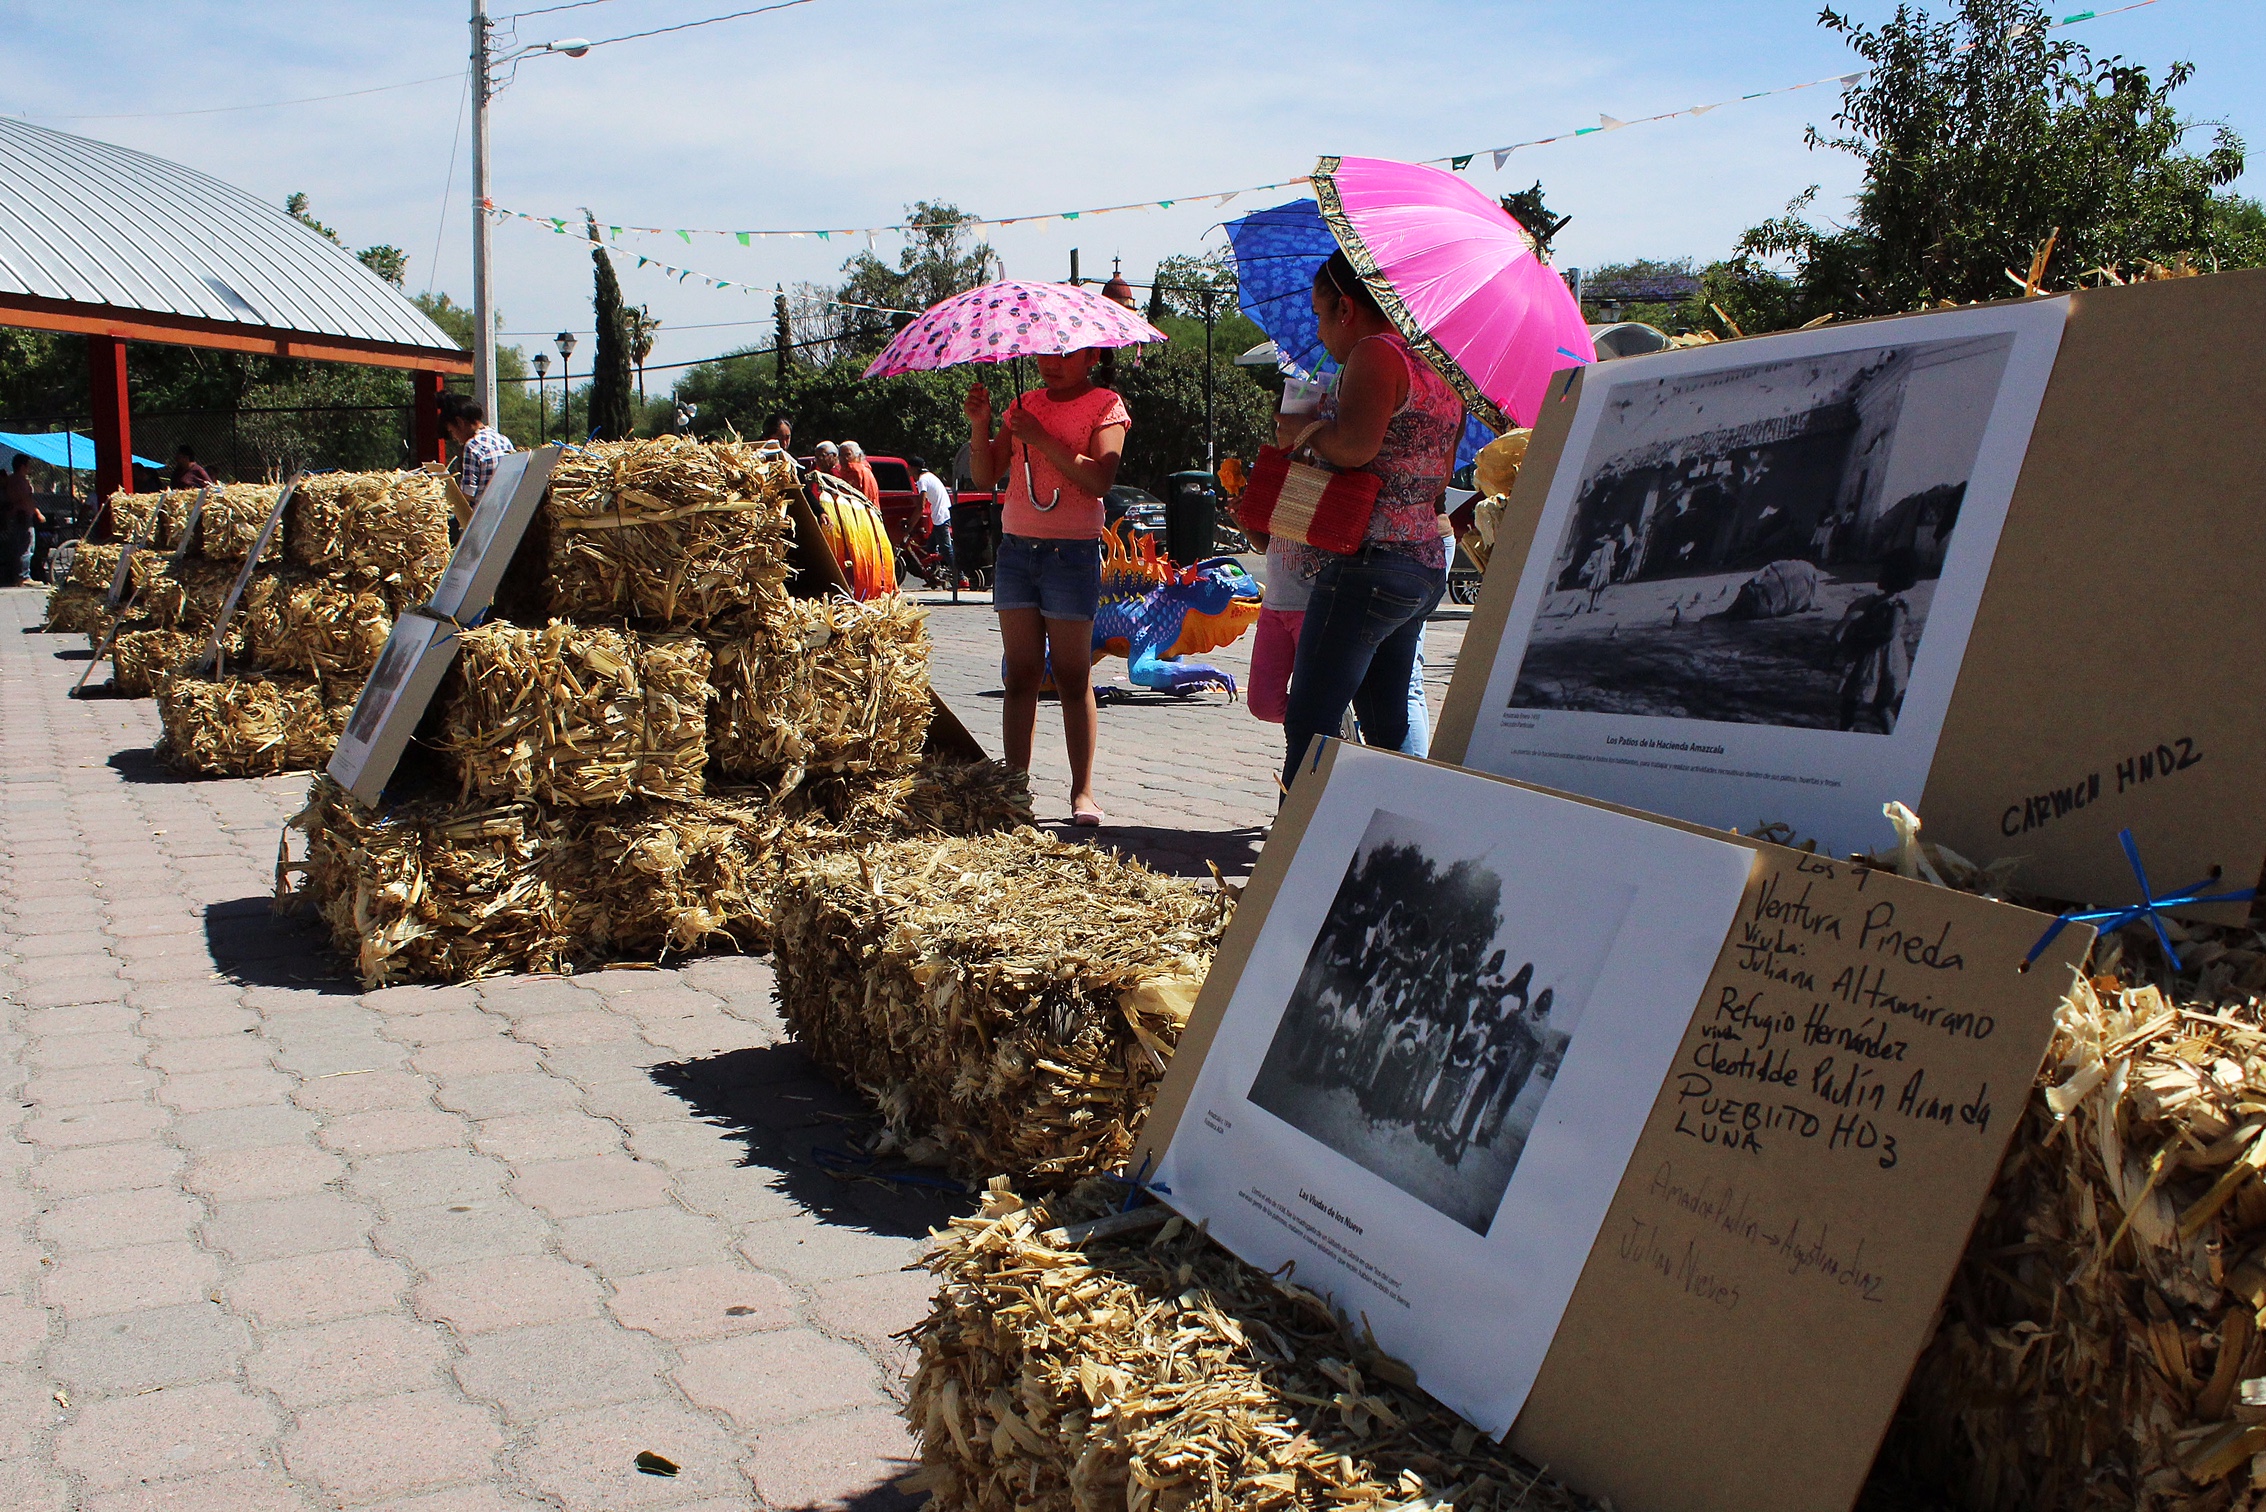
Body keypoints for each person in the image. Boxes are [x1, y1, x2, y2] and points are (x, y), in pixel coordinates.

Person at [1273, 252, 1462, 794]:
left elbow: (1355, 449)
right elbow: (1442, 466)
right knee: (1387, 728)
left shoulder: (1375, 353)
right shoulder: (1437, 363)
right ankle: (1391, 840)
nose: (1318, 328)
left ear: (1346, 308)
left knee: (1311, 726)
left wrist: (1305, 430)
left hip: (1366, 564)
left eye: (1318, 314)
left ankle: (1298, 860)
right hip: (1422, 563)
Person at [965, 346, 1130, 827]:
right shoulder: (1026, 404)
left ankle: (1083, 792)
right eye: (1045, 353)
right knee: (1020, 676)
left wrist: (1042, 438)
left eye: (1065, 353)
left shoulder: (1105, 405)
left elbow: (1100, 478)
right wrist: (982, 423)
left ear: (1092, 356)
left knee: (1073, 675)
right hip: (1017, 550)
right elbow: (985, 473)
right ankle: (1015, 789)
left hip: (1071, 554)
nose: (1051, 362)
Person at [1833, 547, 1919, 733]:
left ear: (1895, 577)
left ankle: (1890, 737)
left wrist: (1863, 639)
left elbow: (1888, 633)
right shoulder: (1879, 600)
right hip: (1871, 656)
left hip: (1883, 657)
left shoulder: (1897, 603)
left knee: (1881, 705)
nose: (1879, 576)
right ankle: (1845, 732)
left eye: (1883, 572)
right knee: (1851, 701)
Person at [444, 397, 516, 524]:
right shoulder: (504, 440)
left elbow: (468, 494)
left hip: (485, 518)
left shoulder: (472, 445)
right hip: (507, 511)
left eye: (452, 431)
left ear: (459, 422)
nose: (454, 437)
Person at [912, 454, 955, 587]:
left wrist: (910, 523)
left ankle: (960, 575)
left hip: (941, 516)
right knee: (930, 548)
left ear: (914, 468)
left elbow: (921, 505)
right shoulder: (930, 476)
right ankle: (934, 576)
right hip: (941, 515)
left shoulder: (922, 480)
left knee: (946, 548)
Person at [2, 454, 43, 587]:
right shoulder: (20, 481)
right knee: (26, 546)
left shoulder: (11, 480)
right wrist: (38, 513)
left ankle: (16, 576)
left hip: (14, 517)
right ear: (22, 466)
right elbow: (26, 499)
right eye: (28, 465)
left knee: (16, 547)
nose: (30, 468)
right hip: (23, 517)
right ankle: (24, 576)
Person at [838, 440, 882, 506]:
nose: (844, 458)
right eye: (841, 455)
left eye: (848, 454)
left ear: (858, 456)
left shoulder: (863, 472)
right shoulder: (841, 472)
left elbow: (867, 499)